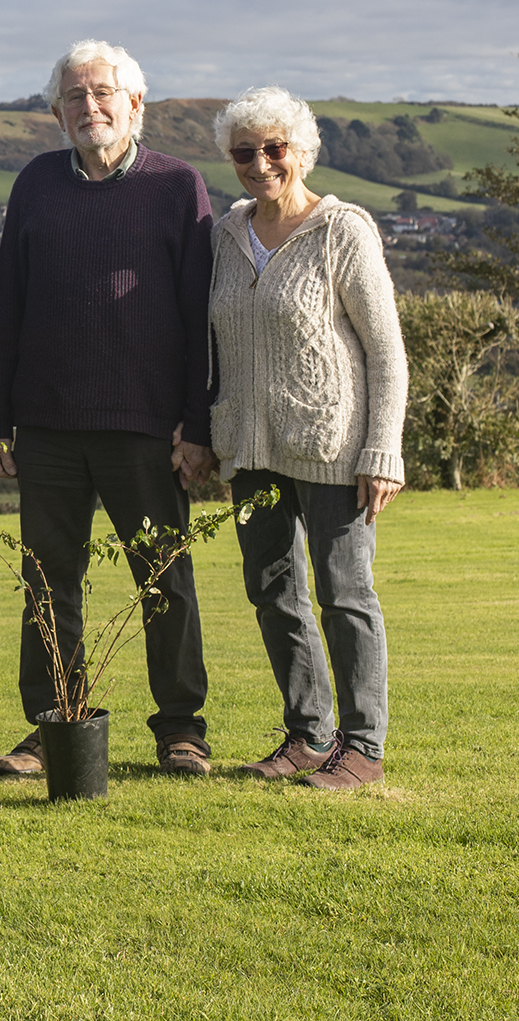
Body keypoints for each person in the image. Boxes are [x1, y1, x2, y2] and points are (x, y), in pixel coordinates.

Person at [0, 39, 219, 778]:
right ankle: (54, 723)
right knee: (49, 584)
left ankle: (181, 728)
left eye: (103, 94)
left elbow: (199, 316)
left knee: (163, 579)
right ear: (57, 112)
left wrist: (199, 424)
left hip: (147, 427)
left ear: (134, 103)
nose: (90, 108)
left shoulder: (178, 187)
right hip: (48, 426)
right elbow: (8, 306)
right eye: (75, 97)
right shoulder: (36, 184)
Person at [207, 86, 406, 791]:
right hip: (251, 450)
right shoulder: (226, 235)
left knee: (345, 592)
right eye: (244, 152)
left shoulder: (342, 230)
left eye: (274, 148)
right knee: (273, 592)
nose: (259, 163)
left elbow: (385, 351)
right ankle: (307, 732)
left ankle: (363, 747)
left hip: (333, 446)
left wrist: (384, 451)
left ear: (300, 149)